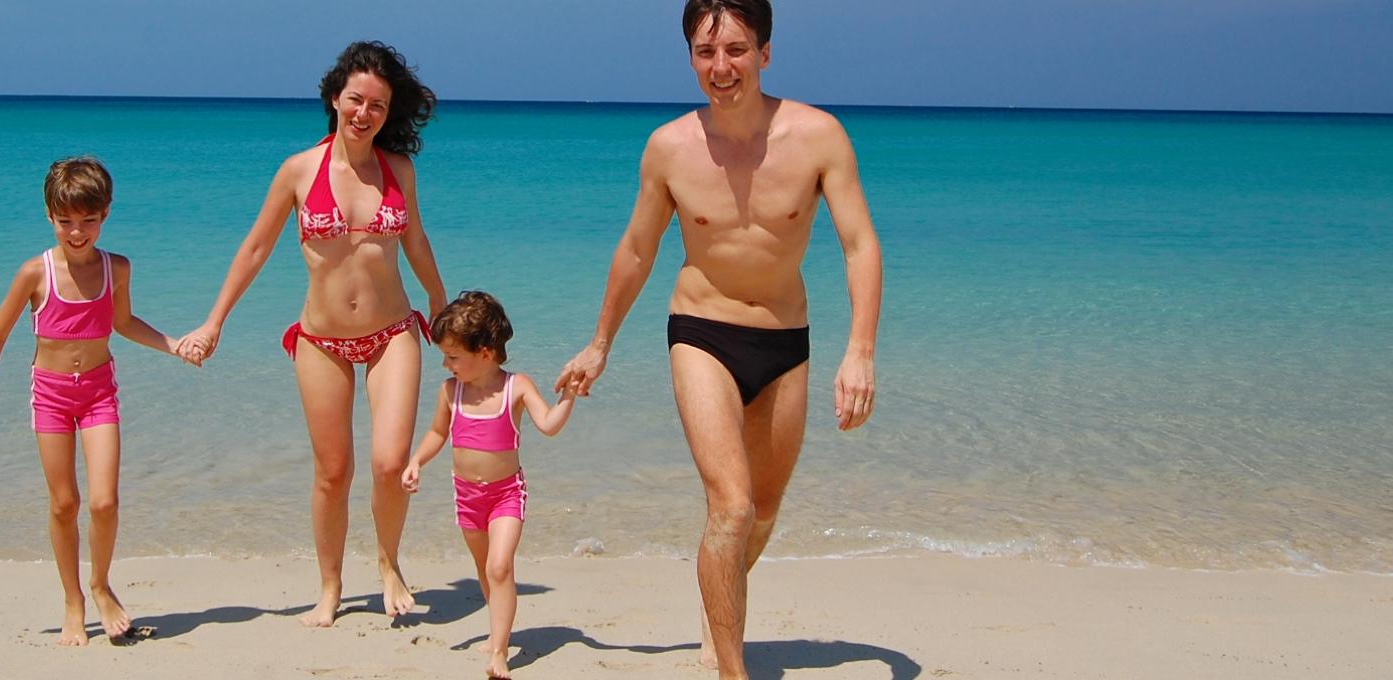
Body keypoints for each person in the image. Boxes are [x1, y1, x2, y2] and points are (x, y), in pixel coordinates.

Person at [553, 2, 883, 677]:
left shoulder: (819, 136)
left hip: (786, 338)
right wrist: (599, 342)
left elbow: (859, 245)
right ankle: (731, 668)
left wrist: (860, 351)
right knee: (729, 505)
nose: (721, 67)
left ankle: (716, 598)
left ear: (766, 51)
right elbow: (639, 250)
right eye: (706, 53)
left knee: (760, 512)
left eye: (735, 49)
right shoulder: (669, 147)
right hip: (700, 331)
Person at [177, 41, 449, 627]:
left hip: (392, 333)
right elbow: (255, 248)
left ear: (388, 110)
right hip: (321, 340)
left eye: (377, 105)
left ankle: (388, 562)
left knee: (388, 462)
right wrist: (214, 320)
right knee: (332, 472)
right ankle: (329, 586)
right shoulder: (299, 171)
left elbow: (417, 243)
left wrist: (441, 306)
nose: (364, 113)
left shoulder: (399, 170)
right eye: (356, 99)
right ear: (335, 98)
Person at [0, 156, 183, 645]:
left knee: (103, 501)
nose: (77, 233)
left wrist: (172, 344)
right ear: (49, 217)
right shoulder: (36, 273)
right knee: (64, 503)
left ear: (106, 215)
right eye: (66, 222)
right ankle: (72, 598)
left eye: (88, 221)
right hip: (51, 397)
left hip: (100, 392)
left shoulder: (116, 267)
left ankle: (100, 584)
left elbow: (123, 323)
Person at [401, 291, 577, 679]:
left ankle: (498, 652)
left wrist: (568, 397)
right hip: (466, 496)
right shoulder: (451, 390)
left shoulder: (516, 387)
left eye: (453, 356)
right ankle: (498, 629)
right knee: (484, 570)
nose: (447, 364)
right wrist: (416, 460)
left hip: (505, 494)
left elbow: (548, 425)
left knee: (500, 567)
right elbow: (436, 432)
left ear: (484, 352)